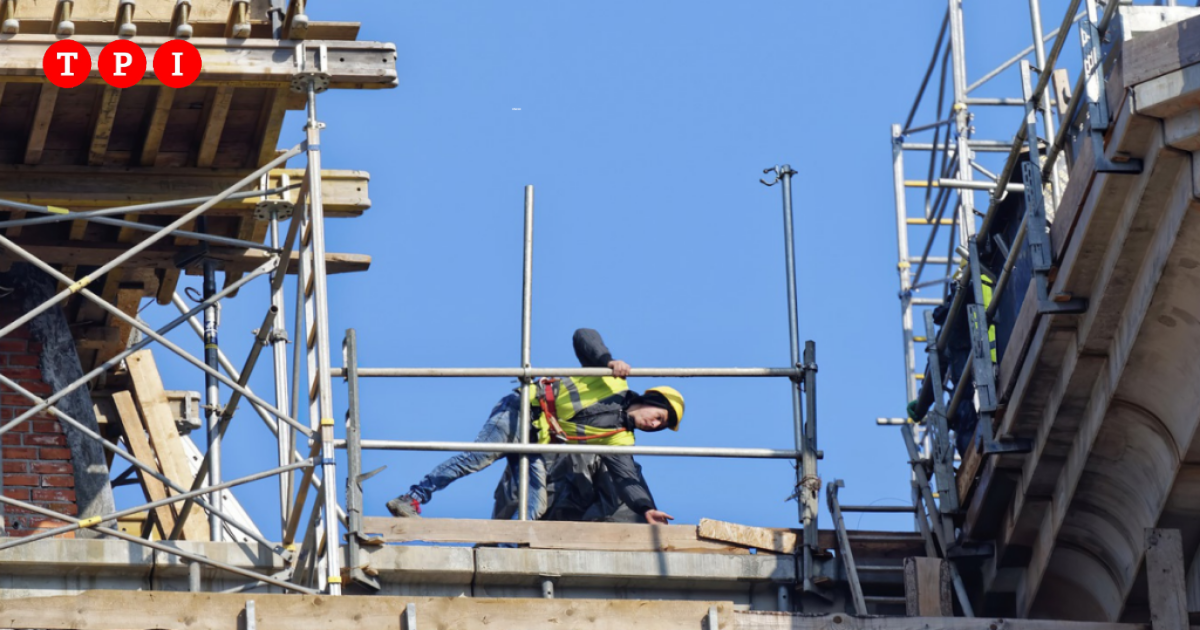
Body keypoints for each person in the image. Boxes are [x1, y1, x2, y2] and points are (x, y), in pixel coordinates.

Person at [385, 328, 684, 525]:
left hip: (539, 438)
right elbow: (584, 336)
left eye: (660, 426)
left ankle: (507, 549)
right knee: (476, 459)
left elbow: (627, 477)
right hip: (521, 410)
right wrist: (607, 360)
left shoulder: (619, 439)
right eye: (659, 416)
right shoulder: (612, 379)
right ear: (650, 398)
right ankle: (411, 498)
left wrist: (645, 508)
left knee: (535, 503)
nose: (654, 424)